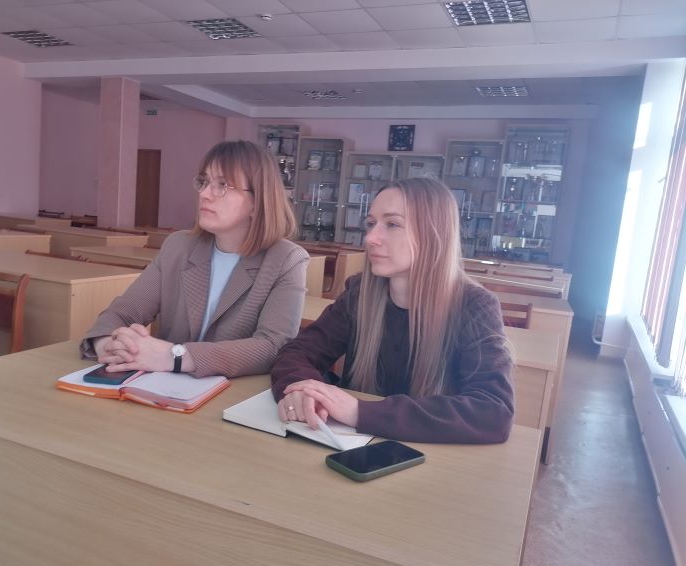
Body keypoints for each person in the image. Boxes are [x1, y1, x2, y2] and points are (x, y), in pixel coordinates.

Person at [271, 178, 514, 444]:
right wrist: (302, 391)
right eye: (371, 223)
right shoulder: (359, 293)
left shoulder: (475, 306)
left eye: (392, 224)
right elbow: (298, 352)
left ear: (433, 234)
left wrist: (358, 411)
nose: (370, 238)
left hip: (431, 455)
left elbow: (493, 412)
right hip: (347, 447)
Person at [81, 140, 309, 378]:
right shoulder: (179, 246)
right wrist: (108, 344)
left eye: (222, 185)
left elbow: (273, 346)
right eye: (204, 182)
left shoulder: (286, 260)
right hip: (161, 388)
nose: (204, 194)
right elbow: (123, 312)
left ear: (257, 201)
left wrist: (175, 356)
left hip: (233, 393)